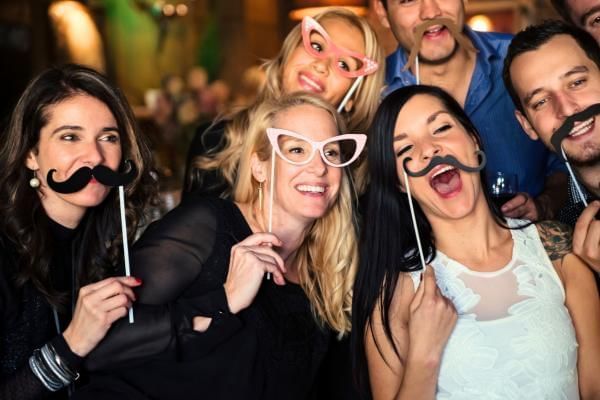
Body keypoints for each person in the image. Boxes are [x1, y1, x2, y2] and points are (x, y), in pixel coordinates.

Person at [75, 93, 362, 400]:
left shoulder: (328, 272)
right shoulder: (207, 225)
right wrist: (225, 300)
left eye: (330, 153)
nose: (318, 168)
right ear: (259, 167)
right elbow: (101, 348)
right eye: (296, 150)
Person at [352, 85, 600, 399]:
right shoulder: (394, 292)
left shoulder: (556, 249)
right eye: (405, 151)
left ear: (473, 139)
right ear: (400, 183)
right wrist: (423, 358)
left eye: (441, 128)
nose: (429, 150)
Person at [0, 64, 156, 399]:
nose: (95, 157)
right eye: (71, 137)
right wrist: (72, 344)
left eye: (108, 138)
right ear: (30, 154)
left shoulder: (112, 238)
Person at [372, 0, 568, 222]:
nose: (431, 12)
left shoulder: (521, 61)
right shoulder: (371, 93)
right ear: (382, 10)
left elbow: (571, 158)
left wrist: (545, 204)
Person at [183, 7, 384, 198]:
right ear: (289, 52)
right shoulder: (213, 142)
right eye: (316, 46)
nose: (322, 65)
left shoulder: (361, 179)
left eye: (344, 64)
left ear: (353, 98)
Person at [502, 20, 600, 272]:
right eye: (541, 101)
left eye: (577, 82)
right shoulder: (565, 225)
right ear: (527, 126)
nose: (566, 109)